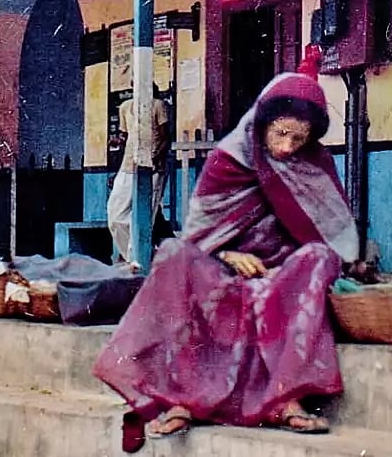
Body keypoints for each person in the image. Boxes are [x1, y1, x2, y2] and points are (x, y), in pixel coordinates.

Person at [93, 46, 358, 451]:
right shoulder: (227, 160)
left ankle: (286, 399)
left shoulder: (314, 165)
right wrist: (228, 256)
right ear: (261, 124)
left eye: (298, 139)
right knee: (172, 257)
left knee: (317, 260)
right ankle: (179, 399)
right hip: (221, 268)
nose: (287, 147)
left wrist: (280, 269)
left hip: (281, 275)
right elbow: (198, 237)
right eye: (281, 134)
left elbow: (329, 239)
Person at [106, 87, 171, 265]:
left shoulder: (159, 105)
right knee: (115, 215)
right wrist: (116, 168)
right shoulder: (125, 107)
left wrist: (156, 158)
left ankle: (137, 261)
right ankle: (137, 257)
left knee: (145, 216)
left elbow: (166, 137)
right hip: (127, 166)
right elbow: (124, 138)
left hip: (152, 168)